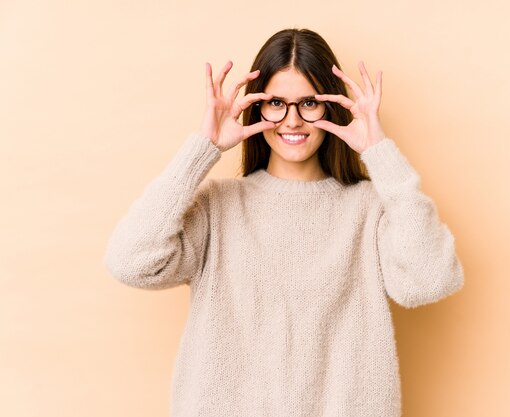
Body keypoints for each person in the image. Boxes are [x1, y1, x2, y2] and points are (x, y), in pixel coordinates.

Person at [103, 28, 464, 417]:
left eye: (308, 102)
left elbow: (428, 282)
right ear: (256, 108)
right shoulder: (217, 207)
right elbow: (130, 262)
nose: (292, 120)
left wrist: (381, 154)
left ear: (332, 106)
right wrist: (201, 149)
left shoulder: (370, 209)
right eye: (276, 103)